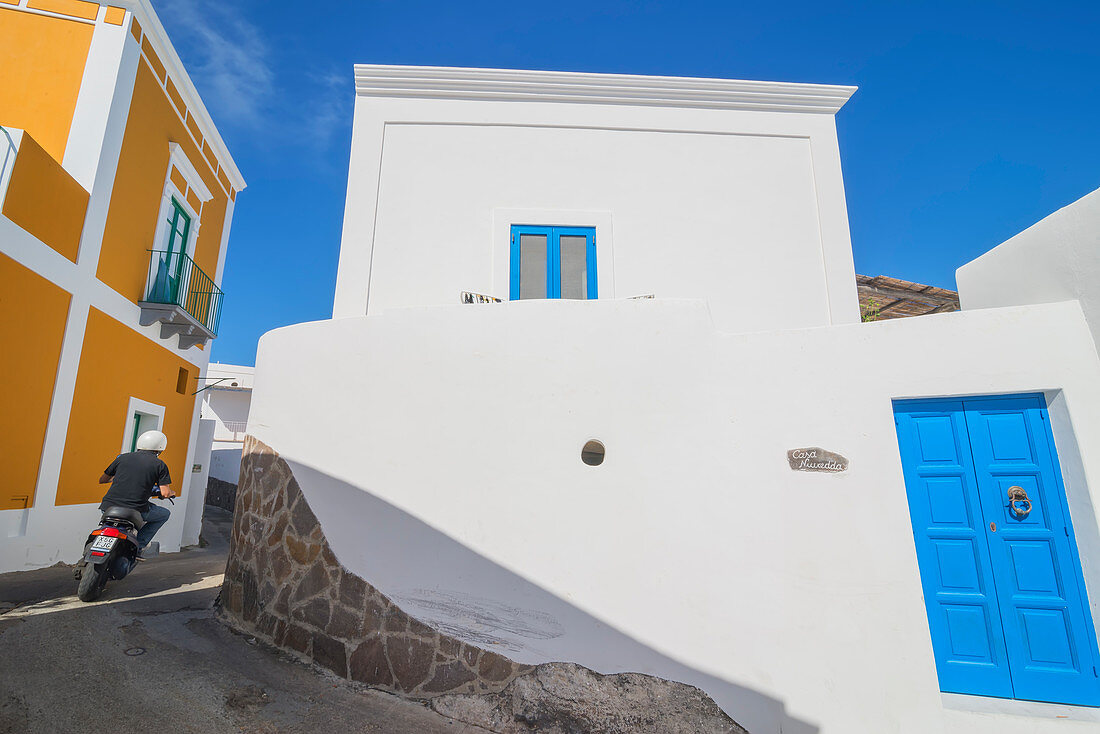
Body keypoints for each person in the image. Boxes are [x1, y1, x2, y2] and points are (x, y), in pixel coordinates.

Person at [98, 430, 177, 555]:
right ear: (160, 448)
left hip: (108, 507)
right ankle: (139, 545)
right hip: (136, 510)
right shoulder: (159, 465)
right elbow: (165, 493)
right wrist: (171, 493)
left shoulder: (122, 458)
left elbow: (102, 480)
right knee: (164, 514)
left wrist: (121, 478)